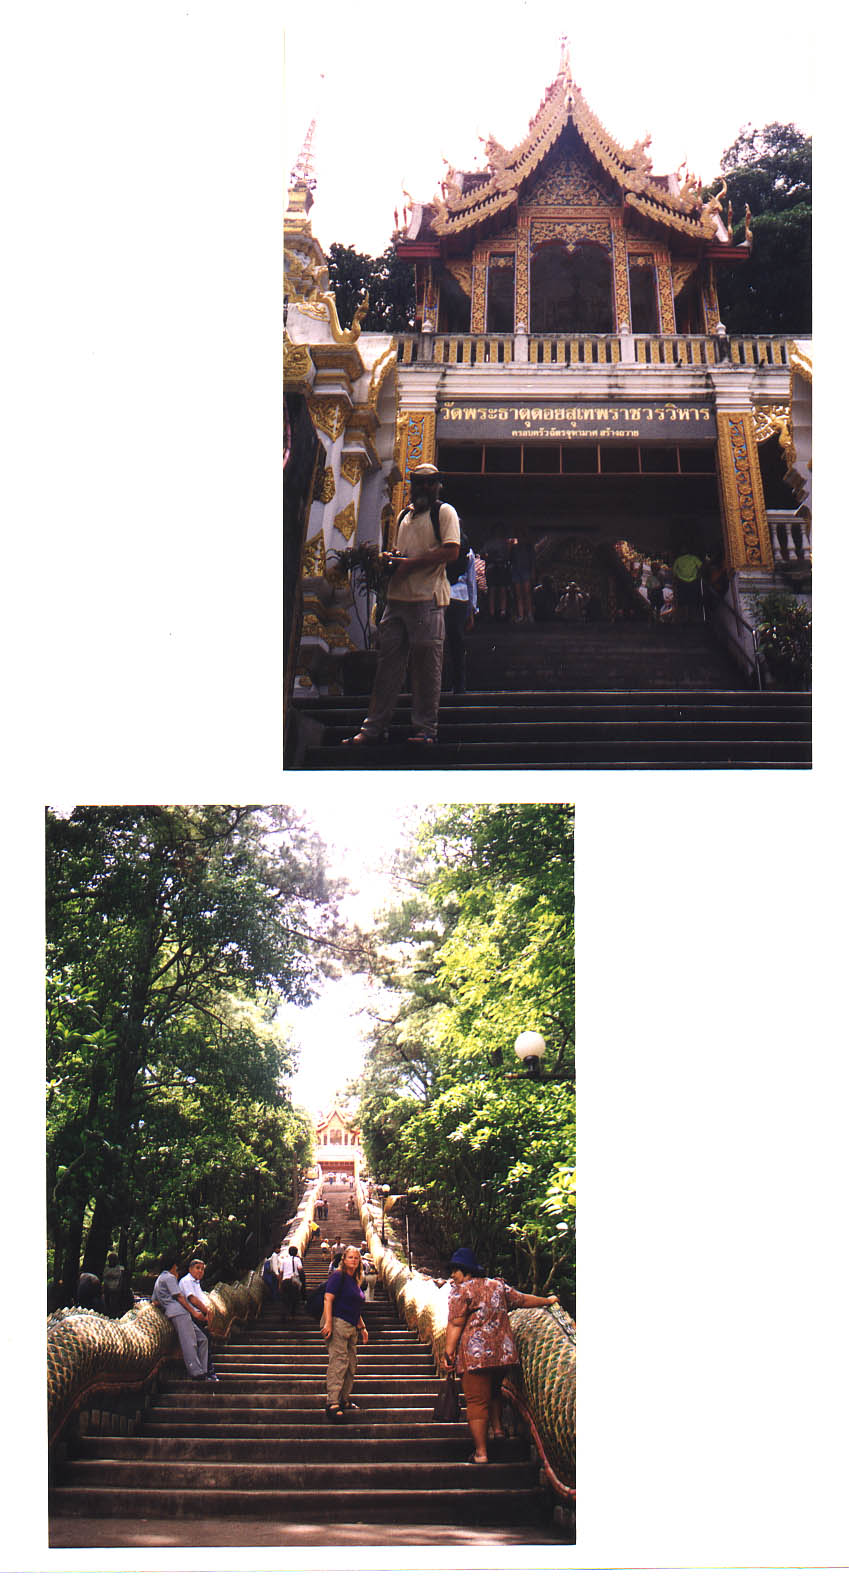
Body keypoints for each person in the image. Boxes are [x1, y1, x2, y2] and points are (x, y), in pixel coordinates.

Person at [344, 463, 461, 747]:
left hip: (427, 599)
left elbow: (452, 550)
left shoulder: (444, 513)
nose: (423, 488)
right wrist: (392, 560)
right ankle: (373, 727)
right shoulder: (403, 516)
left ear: (438, 485)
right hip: (397, 600)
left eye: (430, 483)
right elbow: (402, 553)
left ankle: (425, 729)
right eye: (418, 483)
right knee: (387, 667)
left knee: (426, 668)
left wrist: (409, 564)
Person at [442, 1246, 558, 1464]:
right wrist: (548, 1301)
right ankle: (498, 1431)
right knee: (494, 1390)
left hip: (475, 1357)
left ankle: (482, 1453)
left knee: (476, 1402)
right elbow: (522, 1300)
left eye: (455, 1270)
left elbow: (456, 1324)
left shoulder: (461, 1291)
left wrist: (448, 1353)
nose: (453, 1275)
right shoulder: (497, 1286)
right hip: (503, 1355)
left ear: (466, 1271)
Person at [320, 1245, 369, 1421]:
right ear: (344, 1259)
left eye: (356, 1258)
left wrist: (362, 1327)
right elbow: (328, 1298)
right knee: (339, 1361)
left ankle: (344, 1399)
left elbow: (355, 1306)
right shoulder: (337, 1276)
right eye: (350, 1257)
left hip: (351, 1325)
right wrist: (328, 1322)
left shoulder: (355, 1280)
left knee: (351, 1363)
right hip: (337, 1322)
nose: (354, 1261)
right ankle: (332, 1402)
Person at [152, 1250, 213, 1382]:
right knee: (189, 1342)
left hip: (174, 1312)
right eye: (176, 1268)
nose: (177, 1270)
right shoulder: (169, 1277)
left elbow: (155, 1301)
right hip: (179, 1313)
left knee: (202, 1339)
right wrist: (194, 1312)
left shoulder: (159, 1280)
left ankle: (203, 1370)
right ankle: (196, 1373)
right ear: (173, 1266)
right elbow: (180, 1297)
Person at [443, 535, 477, 695]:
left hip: (441, 594)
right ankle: (459, 684)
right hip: (460, 597)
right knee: (457, 642)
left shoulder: (440, 548)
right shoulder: (468, 552)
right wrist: (471, 609)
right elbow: (471, 582)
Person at [178, 1256, 219, 1380]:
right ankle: (207, 1372)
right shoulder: (186, 1281)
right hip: (192, 1316)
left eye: (202, 1269)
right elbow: (192, 1299)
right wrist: (206, 1311)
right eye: (197, 1268)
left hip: (200, 1317)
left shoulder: (196, 1283)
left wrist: (209, 1313)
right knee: (204, 1340)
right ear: (190, 1269)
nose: (200, 1271)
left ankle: (206, 1371)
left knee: (206, 1341)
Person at [483, 526, 510, 621]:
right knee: (492, 589)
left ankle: (503, 611)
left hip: (502, 566)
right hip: (492, 566)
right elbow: (484, 553)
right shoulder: (489, 543)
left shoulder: (505, 542)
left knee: (502, 589)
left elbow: (508, 555)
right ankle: (492, 612)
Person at [509, 532, 535, 622]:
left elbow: (532, 560)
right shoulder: (514, 548)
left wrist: (532, 571)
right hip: (516, 571)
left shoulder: (529, 547)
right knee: (518, 594)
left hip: (526, 571)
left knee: (527, 594)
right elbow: (511, 559)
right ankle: (521, 615)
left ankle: (529, 614)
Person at [277, 1245, 305, 1319]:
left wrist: (279, 1284)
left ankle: (284, 1314)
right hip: (294, 1281)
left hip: (285, 1281)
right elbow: (300, 1269)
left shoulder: (284, 1260)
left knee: (285, 1298)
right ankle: (292, 1315)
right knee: (294, 1298)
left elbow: (281, 1272)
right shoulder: (297, 1260)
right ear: (296, 1253)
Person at [101, 1252, 126, 1318]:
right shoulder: (106, 1268)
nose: (112, 1261)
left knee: (115, 1303)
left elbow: (121, 1279)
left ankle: (115, 1316)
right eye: (110, 1259)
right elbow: (104, 1278)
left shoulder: (120, 1268)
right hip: (107, 1288)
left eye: (113, 1259)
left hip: (116, 1287)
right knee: (107, 1304)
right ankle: (107, 1315)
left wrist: (120, 1287)